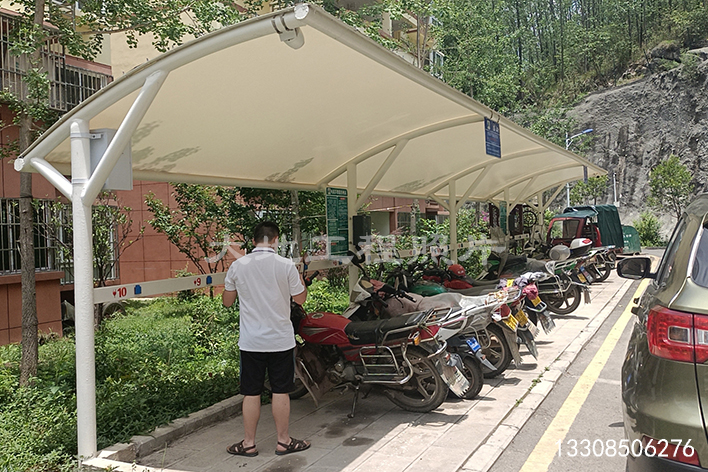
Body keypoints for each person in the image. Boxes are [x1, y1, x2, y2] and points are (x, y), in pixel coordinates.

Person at [222, 221, 311, 457]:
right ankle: (283, 441)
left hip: (251, 342)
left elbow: (227, 302)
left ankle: (248, 443)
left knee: (251, 392)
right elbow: (300, 299)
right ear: (275, 240)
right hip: (280, 340)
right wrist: (301, 280)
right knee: (280, 390)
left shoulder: (238, 266)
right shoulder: (286, 265)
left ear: (253, 241)